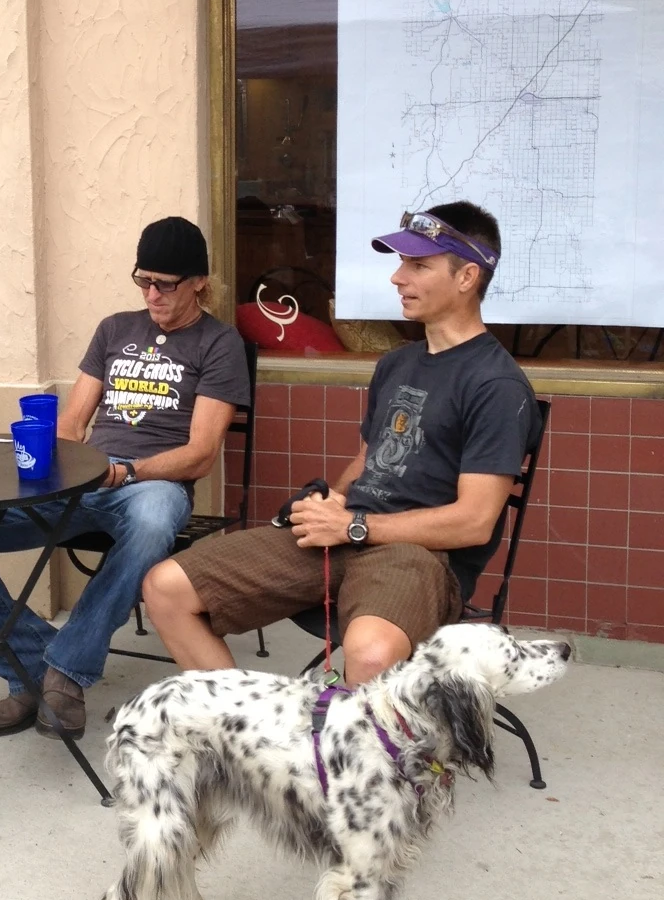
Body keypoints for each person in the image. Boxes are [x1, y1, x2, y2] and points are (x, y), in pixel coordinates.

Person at [143, 202, 540, 687]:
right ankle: (254, 722)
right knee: (165, 588)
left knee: (370, 654)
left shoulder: (496, 385)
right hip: (347, 532)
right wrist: (332, 500)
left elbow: (474, 521)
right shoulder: (397, 364)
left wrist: (354, 526)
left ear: (467, 276)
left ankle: (363, 739)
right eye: (402, 263)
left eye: (418, 266)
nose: (398, 277)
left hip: (421, 555)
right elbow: (369, 459)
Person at [0, 217, 251, 739]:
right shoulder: (115, 329)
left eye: (165, 284)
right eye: (143, 281)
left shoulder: (219, 343)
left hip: (151, 484)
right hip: (85, 478)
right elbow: (72, 424)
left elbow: (201, 454)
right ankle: (30, 665)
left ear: (199, 283)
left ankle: (66, 671)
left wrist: (127, 471)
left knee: (152, 522)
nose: (152, 295)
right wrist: (43, 462)